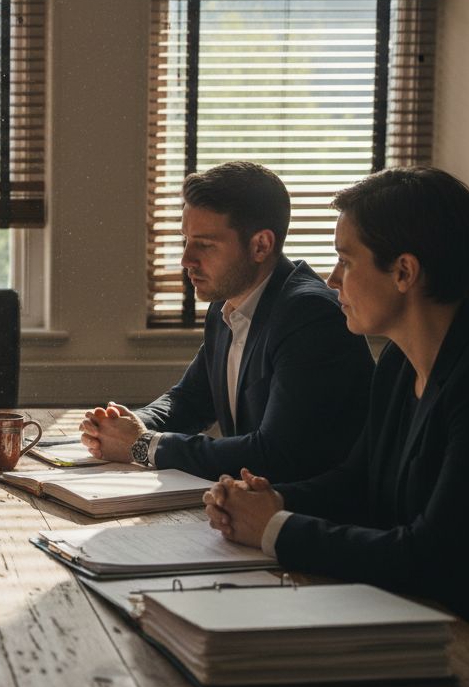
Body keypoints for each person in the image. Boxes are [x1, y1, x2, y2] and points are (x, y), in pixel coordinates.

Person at [203, 167, 469, 683]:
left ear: (405, 273)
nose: (332, 279)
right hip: (431, 621)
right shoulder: (399, 362)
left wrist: (276, 528)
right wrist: (268, 499)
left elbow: (432, 556)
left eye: (346, 260)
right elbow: (358, 484)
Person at [80, 161, 373, 482]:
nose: (186, 260)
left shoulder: (311, 316)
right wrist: (123, 424)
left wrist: (143, 445)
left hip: (303, 516)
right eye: (186, 240)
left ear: (261, 245)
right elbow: (190, 400)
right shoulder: (227, 302)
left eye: (205, 245)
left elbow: (274, 454)